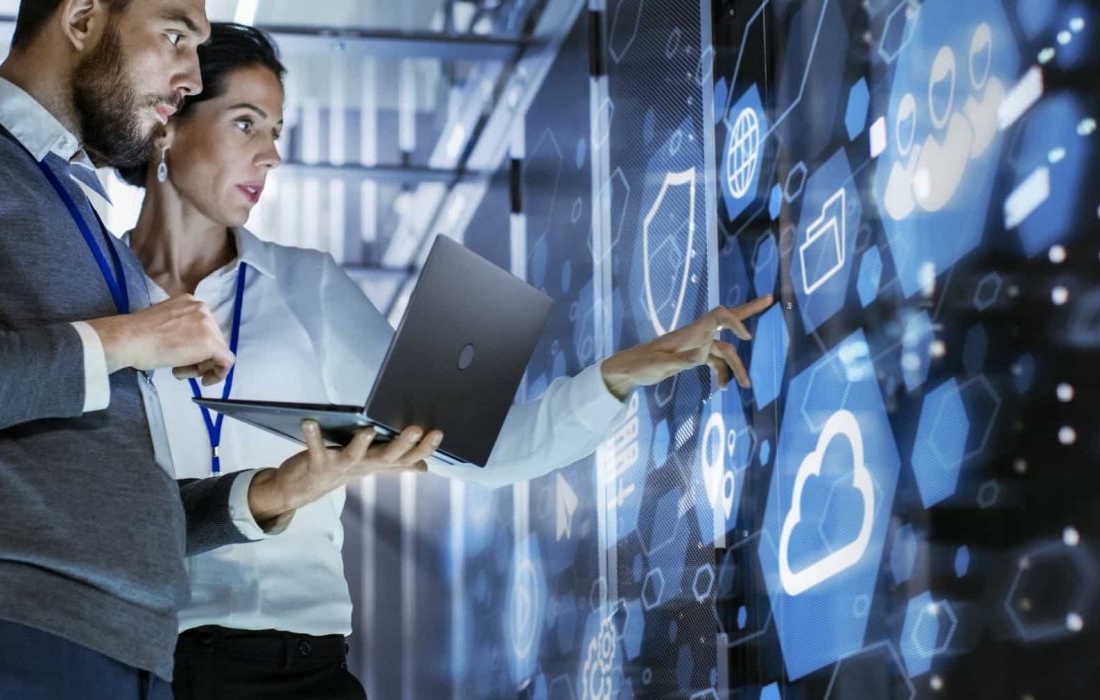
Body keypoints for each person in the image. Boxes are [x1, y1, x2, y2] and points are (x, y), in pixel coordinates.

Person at [117, 23, 776, 700]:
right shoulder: (94, 303)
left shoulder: (305, 286)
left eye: (277, 130)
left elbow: (481, 450)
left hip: (296, 670)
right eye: (246, 124)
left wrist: (619, 375)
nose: (272, 154)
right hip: (136, 663)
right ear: (169, 121)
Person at [0, 2, 414, 698]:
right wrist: (130, 338)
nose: (190, 76)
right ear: (82, 19)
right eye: (175, 36)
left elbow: (126, 508)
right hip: (9, 641)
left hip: (135, 659)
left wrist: (276, 492)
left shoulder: (91, 225)